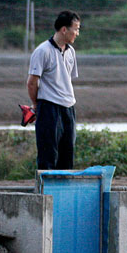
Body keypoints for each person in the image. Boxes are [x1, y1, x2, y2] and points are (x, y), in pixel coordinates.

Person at [26, 10, 80, 170]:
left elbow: (66, 79)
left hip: (68, 107)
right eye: (75, 29)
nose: (77, 33)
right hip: (49, 107)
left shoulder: (71, 52)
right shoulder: (43, 51)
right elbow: (31, 82)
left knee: (67, 153)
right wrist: (36, 105)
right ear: (64, 29)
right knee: (48, 153)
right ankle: (46, 193)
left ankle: (64, 192)